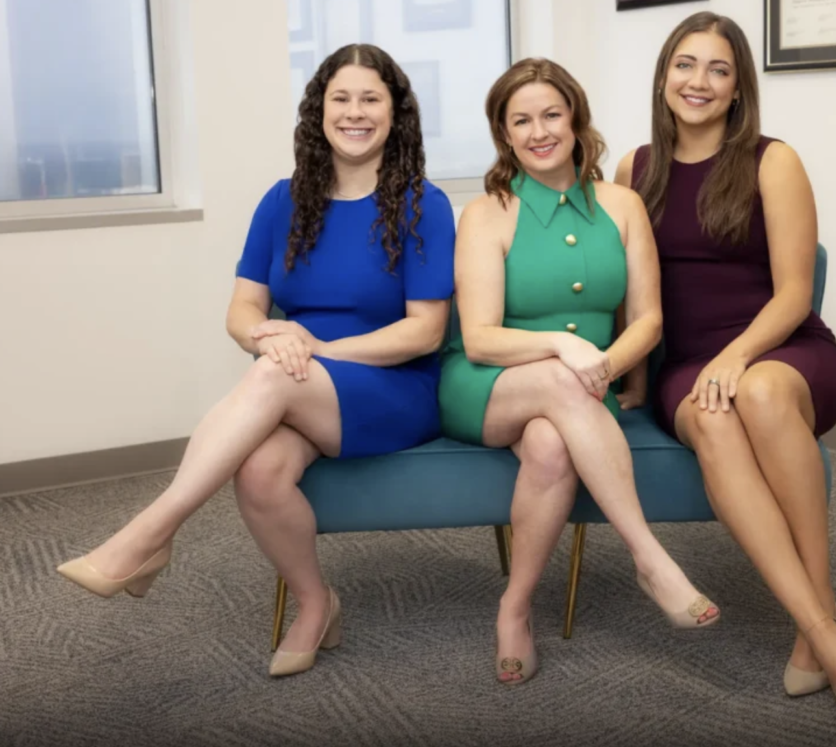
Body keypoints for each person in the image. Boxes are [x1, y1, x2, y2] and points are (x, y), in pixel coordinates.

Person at [57, 44, 456, 678]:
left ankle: (150, 533)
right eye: (341, 99)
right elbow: (242, 311)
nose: (355, 113)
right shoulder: (283, 200)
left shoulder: (420, 204)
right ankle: (315, 602)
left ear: (396, 113)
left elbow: (424, 332)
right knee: (260, 474)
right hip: (298, 381)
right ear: (318, 112)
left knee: (271, 372)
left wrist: (309, 347)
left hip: (392, 387)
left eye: (371, 99)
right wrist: (270, 336)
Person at [616, 12, 836, 712]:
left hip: (784, 351)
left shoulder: (773, 159)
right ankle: (825, 630)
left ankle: (812, 625)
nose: (698, 81)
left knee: (755, 395)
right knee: (714, 414)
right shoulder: (633, 168)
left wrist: (736, 357)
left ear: (738, 89)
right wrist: (633, 378)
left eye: (718, 69)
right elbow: (632, 290)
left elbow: (795, 292)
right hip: (689, 366)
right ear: (664, 75)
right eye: (685, 64)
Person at [439, 57, 720, 687]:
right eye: (521, 120)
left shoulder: (622, 205)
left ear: (575, 119)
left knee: (547, 449)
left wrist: (608, 368)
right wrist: (565, 352)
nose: (539, 131)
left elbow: (647, 319)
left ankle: (514, 610)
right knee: (560, 388)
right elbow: (480, 340)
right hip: (486, 387)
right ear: (504, 134)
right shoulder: (488, 212)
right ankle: (649, 558)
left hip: (579, 393)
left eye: (551, 114)